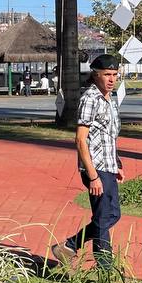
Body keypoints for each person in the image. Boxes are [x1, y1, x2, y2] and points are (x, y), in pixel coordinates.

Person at [54, 54, 123, 267]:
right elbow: (80, 140)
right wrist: (93, 176)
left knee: (112, 215)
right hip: (95, 167)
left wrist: (117, 163)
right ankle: (105, 270)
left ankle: (70, 246)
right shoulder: (90, 98)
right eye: (107, 75)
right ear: (95, 75)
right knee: (103, 218)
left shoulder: (110, 100)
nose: (111, 79)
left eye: (114, 75)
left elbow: (108, 135)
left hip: (109, 166)